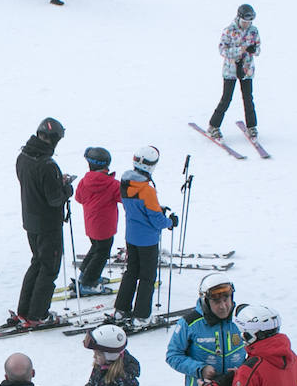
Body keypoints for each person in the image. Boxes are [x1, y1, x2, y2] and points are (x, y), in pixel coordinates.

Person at [13, 117, 73, 326]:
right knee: (49, 268)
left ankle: (25, 309)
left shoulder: (24, 157)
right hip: (48, 224)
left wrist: (57, 183)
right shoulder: (47, 165)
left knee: (37, 262)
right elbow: (54, 198)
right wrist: (66, 188)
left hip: (30, 220)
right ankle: (38, 314)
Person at [114, 146, 175, 325]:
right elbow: (156, 220)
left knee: (131, 272)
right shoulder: (147, 190)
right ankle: (141, 315)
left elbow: (139, 209)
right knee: (148, 277)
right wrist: (170, 222)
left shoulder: (125, 183)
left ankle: (121, 309)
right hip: (148, 240)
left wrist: (156, 209)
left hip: (131, 236)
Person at [206, 5, 259, 140]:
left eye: (249, 21)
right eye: (245, 21)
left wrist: (253, 50)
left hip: (246, 70)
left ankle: (251, 126)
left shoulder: (253, 31)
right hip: (231, 70)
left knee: (248, 98)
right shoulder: (229, 31)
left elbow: (258, 49)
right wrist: (239, 50)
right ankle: (214, 126)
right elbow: (222, 50)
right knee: (226, 98)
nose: (247, 24)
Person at [73, 146, 119, 294]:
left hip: (91, 225)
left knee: (95, 249)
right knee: (102, 253)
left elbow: (79, 198)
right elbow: (124, 198)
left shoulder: (84, 182)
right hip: (105, 227)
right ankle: (88, 283)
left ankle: (85, 275)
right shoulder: (112, 184)